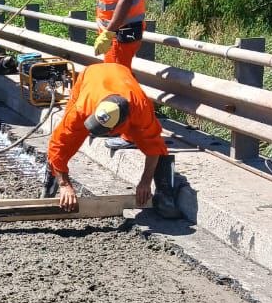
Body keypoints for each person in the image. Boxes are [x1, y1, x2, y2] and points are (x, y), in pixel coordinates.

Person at [47, 62, 180, 218]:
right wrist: (65, 184)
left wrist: (145, 181)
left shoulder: (141, 107)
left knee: (152, 141)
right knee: (69, 138)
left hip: (123, 76)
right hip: (91, 75)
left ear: (120, 125)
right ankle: (52, 176)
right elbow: (59, 142)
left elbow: (154, 145)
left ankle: (164, 194)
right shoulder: (83, 108)